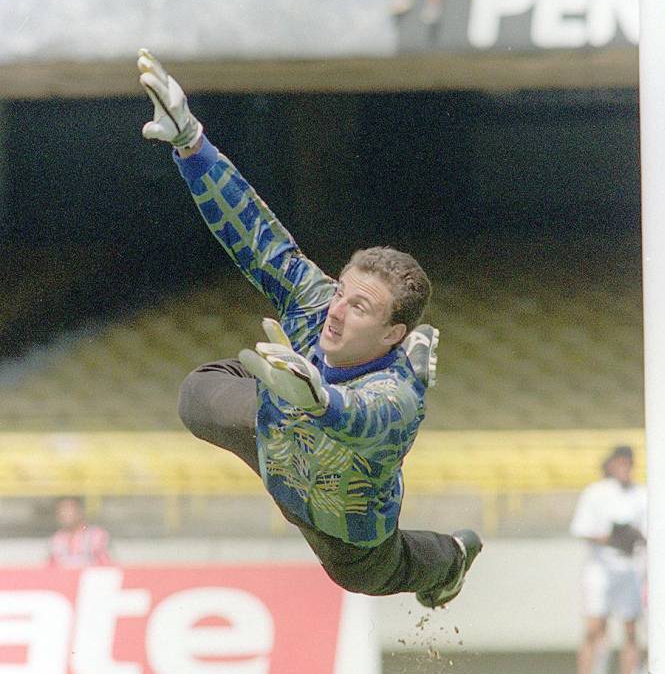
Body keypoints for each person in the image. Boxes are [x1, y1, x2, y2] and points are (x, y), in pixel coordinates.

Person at [136, 49, 482, 608]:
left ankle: (452, 557)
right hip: (278, 443)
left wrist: (320, 400)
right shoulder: (317, 306)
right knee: (196, 394)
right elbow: (256, 238)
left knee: (364, 577)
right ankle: (284, 404)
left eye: (360, 308)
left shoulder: (398, 397)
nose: (337, 312)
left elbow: (364, 417)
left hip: (342, 516)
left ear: (393, 334)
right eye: (341, 292)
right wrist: (191, 145)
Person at [560, 445, 647, 674]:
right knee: (594, 627)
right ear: (610, 464)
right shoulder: (595, 493)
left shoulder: (642, 495)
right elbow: (581, 528)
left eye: (628, 463)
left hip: (630, 569)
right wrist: (612, 537)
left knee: (630, 629)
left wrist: (633, 538)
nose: (625, 467)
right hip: (599, 568)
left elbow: (649, 533)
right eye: (620, 462)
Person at [47, 496, 112, 569]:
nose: (65, 514)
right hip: (64, 579)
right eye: (62, 510)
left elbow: (107, 566)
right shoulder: (56, 539)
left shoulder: (96, 535)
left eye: (69, 509)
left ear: (80, 511)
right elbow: (51, 567)